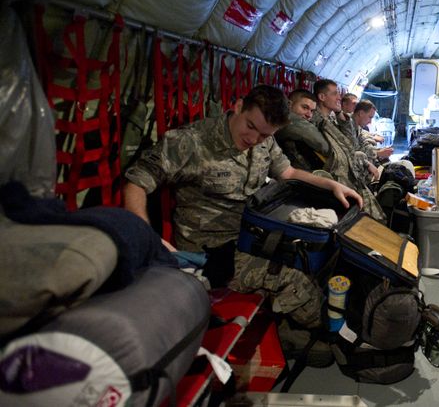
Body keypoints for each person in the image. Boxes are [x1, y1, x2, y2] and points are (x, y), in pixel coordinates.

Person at [123, 85, 362, 328]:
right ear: (238, 107)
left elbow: (287, 172)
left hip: (251, 236)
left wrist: (330, 185)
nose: (253, 139)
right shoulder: (192, 142)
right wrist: (149, 239)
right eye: (250, 126)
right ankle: (325, 333)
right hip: (212, 251)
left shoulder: (263, 141)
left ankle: (294, 327)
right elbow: (137, 182)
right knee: (297, 280)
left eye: (264, 135)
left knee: (319, 254)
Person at [312, 79, 385, 221]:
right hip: (335, 174)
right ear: (322, 97)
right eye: (334, 94)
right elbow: (336, 149)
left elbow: (350, 142)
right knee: (368, 215)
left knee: (373, 213)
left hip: (348, 171)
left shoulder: (332, 119)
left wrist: (340, 114)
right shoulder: (315, 121)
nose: (339, 97)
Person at [274, 89, 329, 171]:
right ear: (289, 105)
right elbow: (326, 147)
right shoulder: (290, 120)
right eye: (305, 107)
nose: (309, 115)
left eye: (312, 111)